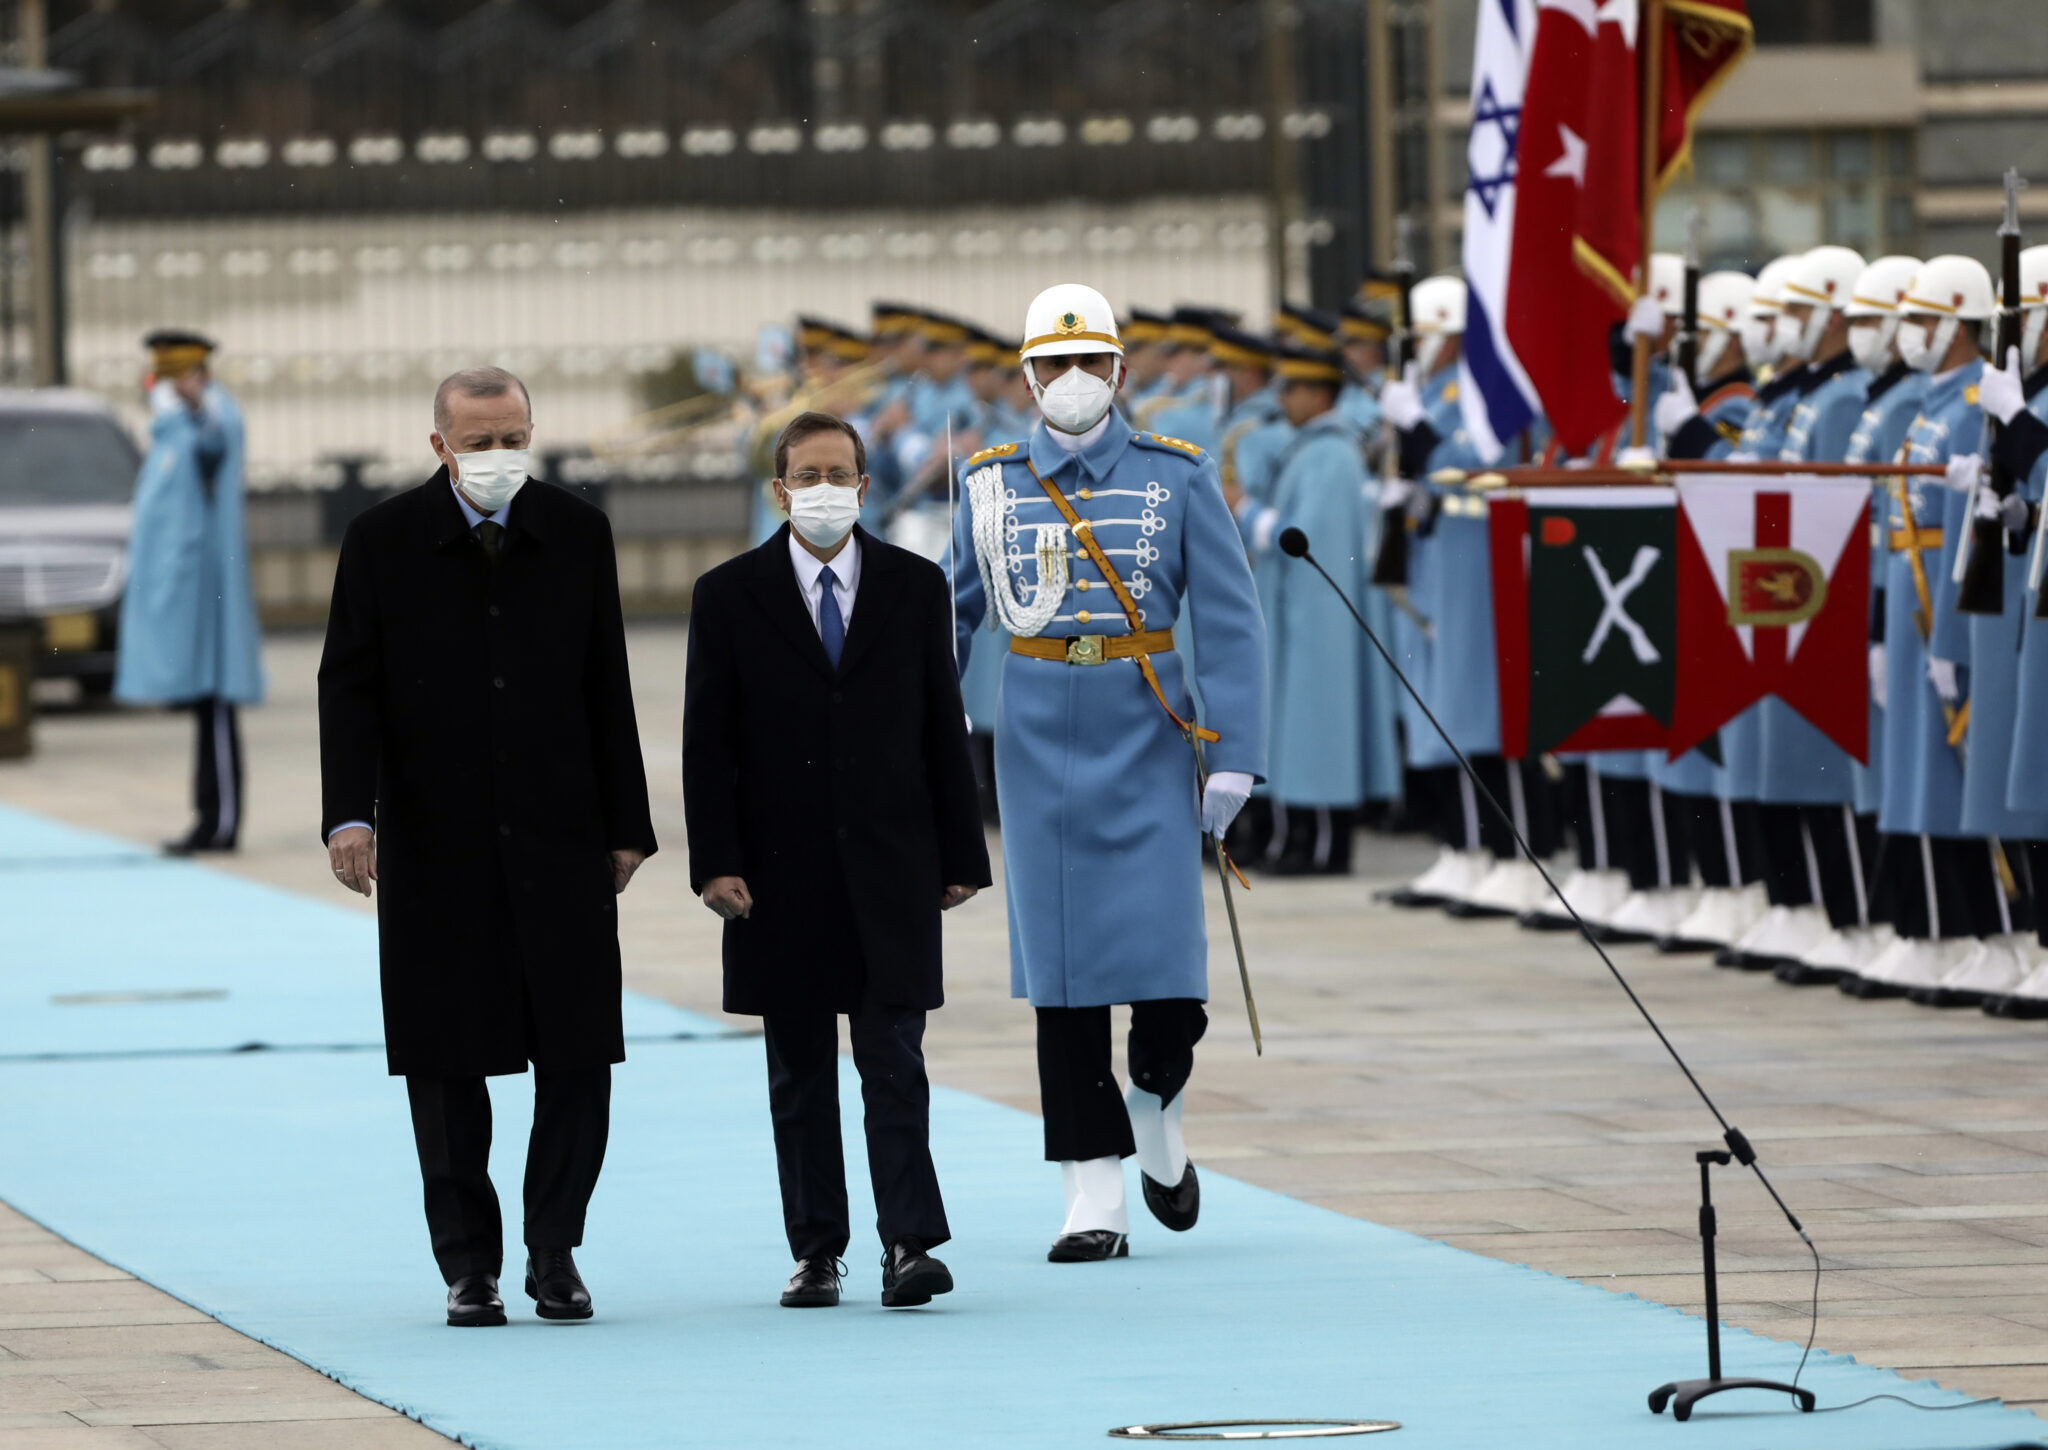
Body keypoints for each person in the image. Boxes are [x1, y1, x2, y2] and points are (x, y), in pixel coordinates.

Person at [318, 367, 656, 1328]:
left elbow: (607, 683)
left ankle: (555, 1251)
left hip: (561, 834)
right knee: (444, 1058)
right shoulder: (381, 541)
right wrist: (352, 815)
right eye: (480, 441)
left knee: (578, 1052)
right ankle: (468, 1264)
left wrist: (627, 825)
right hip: (436, 837)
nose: (499, 456)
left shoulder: (576, 532)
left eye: (514, 437)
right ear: (439, 446)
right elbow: (348, 687)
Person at [951, 283, 1266, 1262]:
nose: (1073, 382)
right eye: (1053, 365)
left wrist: (1236, 752)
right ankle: (1091, 1188)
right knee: (1064, 979)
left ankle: (1155, 1104)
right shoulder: (989, 483)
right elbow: (953, 614)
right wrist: (923, 732)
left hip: (1149, 728)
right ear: (1028, 377)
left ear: (1120, 372)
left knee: (1168, 972)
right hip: (1038, 736)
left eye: (1091, 363)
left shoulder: (1176, 474)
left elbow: (1228, 617)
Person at [683, 410, 989, 1310]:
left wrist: (960, 848)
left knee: (895, 1058)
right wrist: (716, 861)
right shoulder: (729, 594)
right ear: (780, 491)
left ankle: (910, 1243)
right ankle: (817, 1249)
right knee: (801, 1072)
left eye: (840, 474)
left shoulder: (914, 586)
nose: (824, 491)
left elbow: (943, 724)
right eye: (806, 475)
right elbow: (711, 744)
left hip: (890, 865)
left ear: (864, 486)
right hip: (779, 875)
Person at [114, 330, 264, 855]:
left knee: (215, 708)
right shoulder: (171, 428)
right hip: (190, 595)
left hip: (209, 594)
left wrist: (196, 406)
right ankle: (208, 819)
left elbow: (216, 437)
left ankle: (220, 824)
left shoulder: (207, 420)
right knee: (205, 710)